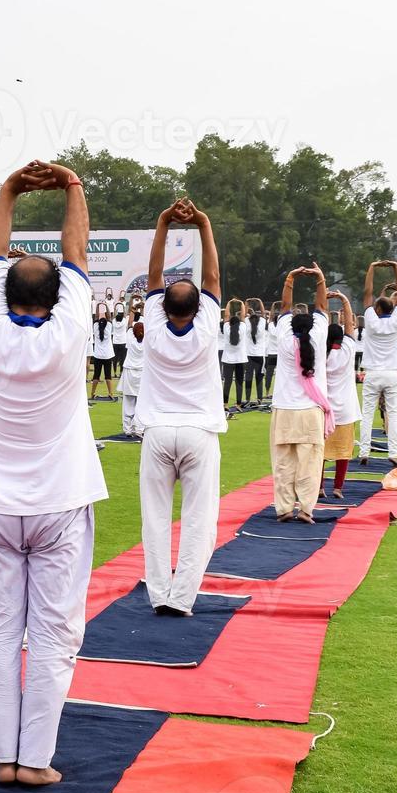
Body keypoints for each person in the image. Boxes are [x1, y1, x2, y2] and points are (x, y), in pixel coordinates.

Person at [0, 160, 106, 788]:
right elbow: (76, 247)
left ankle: (3, 757)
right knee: (53, 634)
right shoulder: (73, 324)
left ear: (0, 293)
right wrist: (72, 186)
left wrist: (8, 190)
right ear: (58, 296)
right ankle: (34, 761)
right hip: (58, 502)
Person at [135, 197, 225, 616]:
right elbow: (212, 273)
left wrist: (163, 222)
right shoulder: (207, 324)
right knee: (198, 520)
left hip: (157, 430)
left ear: (163, 306)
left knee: (155, 519)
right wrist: (203, 223)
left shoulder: (152, 322)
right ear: (198, 307)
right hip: (198, 431)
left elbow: (154, 273)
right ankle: (181, 597)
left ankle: (159, 593)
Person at [270, 264, 330, 523]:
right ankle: (306, 509)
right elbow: (323, 308)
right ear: (311, 326)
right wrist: (320, 279)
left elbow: (284, 307)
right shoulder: (317, 337)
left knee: (283, 463)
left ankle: (284, 508)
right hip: (310, 412)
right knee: (310, 463)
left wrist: (290, 278)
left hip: (283, 409)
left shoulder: (283, 338)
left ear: (290, 325)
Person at [357, 261, 397, 467]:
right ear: (392, 308)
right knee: (393, 414)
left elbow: (367, 292)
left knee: (367, 414)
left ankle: (364, 451)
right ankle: (393, 453)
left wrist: (372, 267)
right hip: (392, 373)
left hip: (373, 373)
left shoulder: (370, 319)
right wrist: (395, 267)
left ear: (377, 308)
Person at [320, 290, 360, 500]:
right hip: (345, 410)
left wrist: (322, 305)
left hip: (324, 410)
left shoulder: (319, 354)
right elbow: (351, 326)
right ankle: (337, 488)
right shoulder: (347, 349)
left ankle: (319, 487)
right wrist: (345, 300)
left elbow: (320, 328)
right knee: (343, 452)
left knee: (320, 452)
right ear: (340, 338)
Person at [118, 295, 146, 438]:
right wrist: (144, 307)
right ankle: (139, 429)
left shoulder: (130, 336)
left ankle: (128, 429)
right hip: (141, 373)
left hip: (130, 372)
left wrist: (133, 308)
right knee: (141, 402)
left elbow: (130, 322)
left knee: (128, 402)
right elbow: (150, 323)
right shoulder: (147, 340)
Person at [221, 298, 248, 407]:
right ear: (239, 322)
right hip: (241, 359)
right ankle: (238, 403)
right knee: (239, 382)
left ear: (230, 323)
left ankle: (225, 403)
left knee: (227, 383)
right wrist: (241, 303)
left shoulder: (226, 327)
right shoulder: (243, 327)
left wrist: (229, 302)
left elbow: (226, 316)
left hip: (227, 359)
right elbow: (242, 316)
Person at [243, 298, 269, 403]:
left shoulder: (246, 323)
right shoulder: (262, 323)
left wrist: (246, 303)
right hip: (259, 355)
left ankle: (248, 399)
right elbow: (263, 314)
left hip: (248, 355)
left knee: (248, 377)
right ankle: (259, 399)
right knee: (259, 378)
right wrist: (259, 301)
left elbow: (244, 314)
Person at [89, 303, 117, 400]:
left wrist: (97, 306)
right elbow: (109, 316)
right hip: (107, 356)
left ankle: (92, 394)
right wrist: (105, 305)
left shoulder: (96, 327)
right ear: (106, 323)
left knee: (96, 376)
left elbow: (96, 316)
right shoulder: (109, 327)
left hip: (97, 356)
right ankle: (111, 394)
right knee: (108, 376)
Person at [111, 299, 128, 377]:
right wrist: (123, 307)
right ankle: (121, 373)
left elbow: (114, 315)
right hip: (123, 342)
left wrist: (115, 308)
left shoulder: (114, 322)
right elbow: (124, 314)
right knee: (122, 358)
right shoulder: (124, 321)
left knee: (115, 358)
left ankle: (114, 373)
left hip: (115, 343)